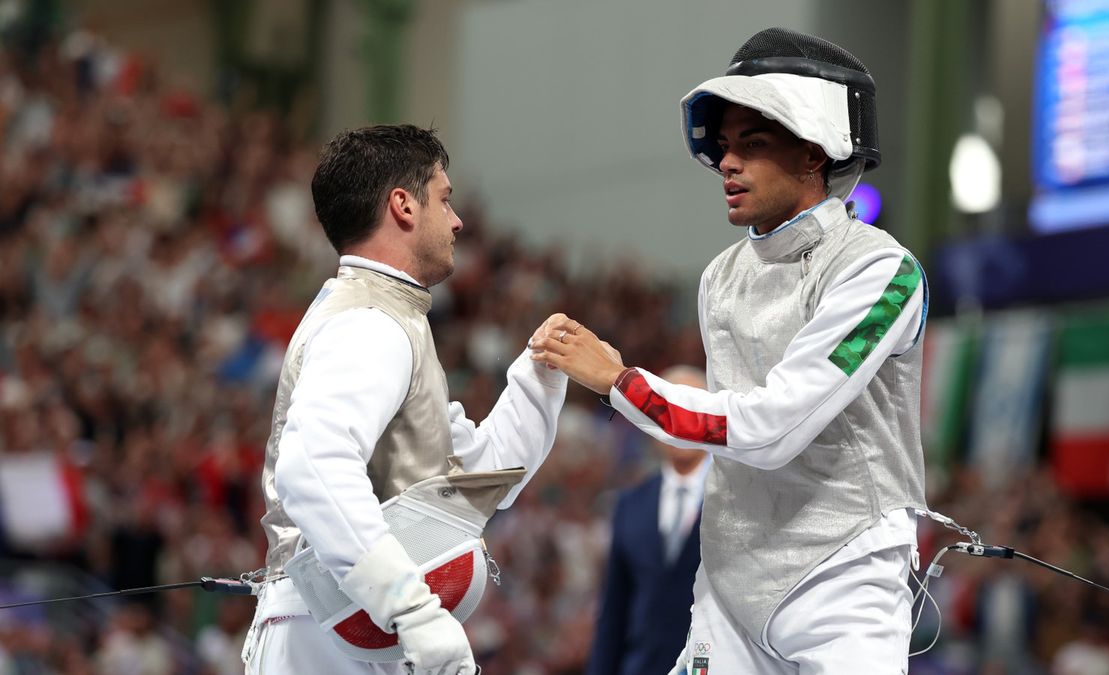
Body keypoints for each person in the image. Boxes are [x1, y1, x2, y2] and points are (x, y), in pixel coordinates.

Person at [533, 28, 928, 674]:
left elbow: (773, 427)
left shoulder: (883, 274)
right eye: (723, 148)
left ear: (813, 153)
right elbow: (730, 428)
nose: (728, 164)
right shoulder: (721, 277)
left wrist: (620, 381)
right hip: (733, 581)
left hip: (844, 586)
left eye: (753, 143)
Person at [243, 124, 574, 675]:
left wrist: (540, 377)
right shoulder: (370, 324)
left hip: (357, 625)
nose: (458, 219)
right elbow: (313, 468)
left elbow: (475, 478)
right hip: (337, 628)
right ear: (403, 205)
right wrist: (411, 607)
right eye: (445, 198)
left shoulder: (391, 320)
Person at [586, 365, 709, 675]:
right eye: (665, 410)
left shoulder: (738, 500)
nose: (678, 422)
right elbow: (614, 609)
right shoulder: (631, 504)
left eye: (691, 409)